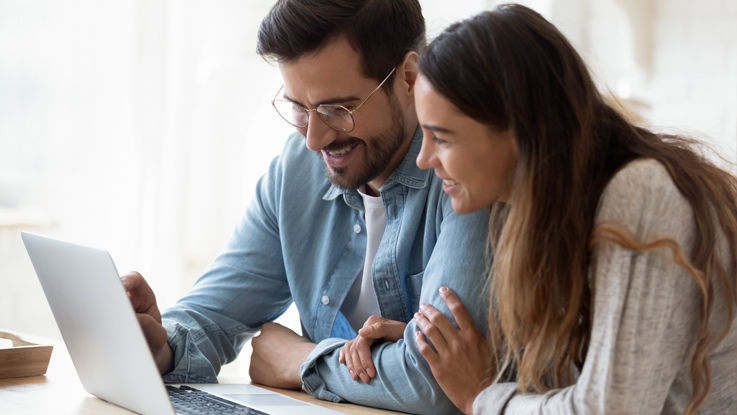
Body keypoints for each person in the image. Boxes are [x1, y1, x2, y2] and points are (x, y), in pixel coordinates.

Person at [344, 4, 737, 414]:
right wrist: (424, 347)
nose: (424, 159)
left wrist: (482, 397)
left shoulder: (641, 194)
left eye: (442, 138)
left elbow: (610, 408)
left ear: (518, 131)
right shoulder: (531, 214)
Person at [121, 0, 490, 413]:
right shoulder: (298, 168)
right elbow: (213, 315)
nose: (314, 139)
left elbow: (441, 382)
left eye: (338, 109)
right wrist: (160, 344)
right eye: (299, 107)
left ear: (408, 78)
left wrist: (301, 361)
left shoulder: (467, 176)